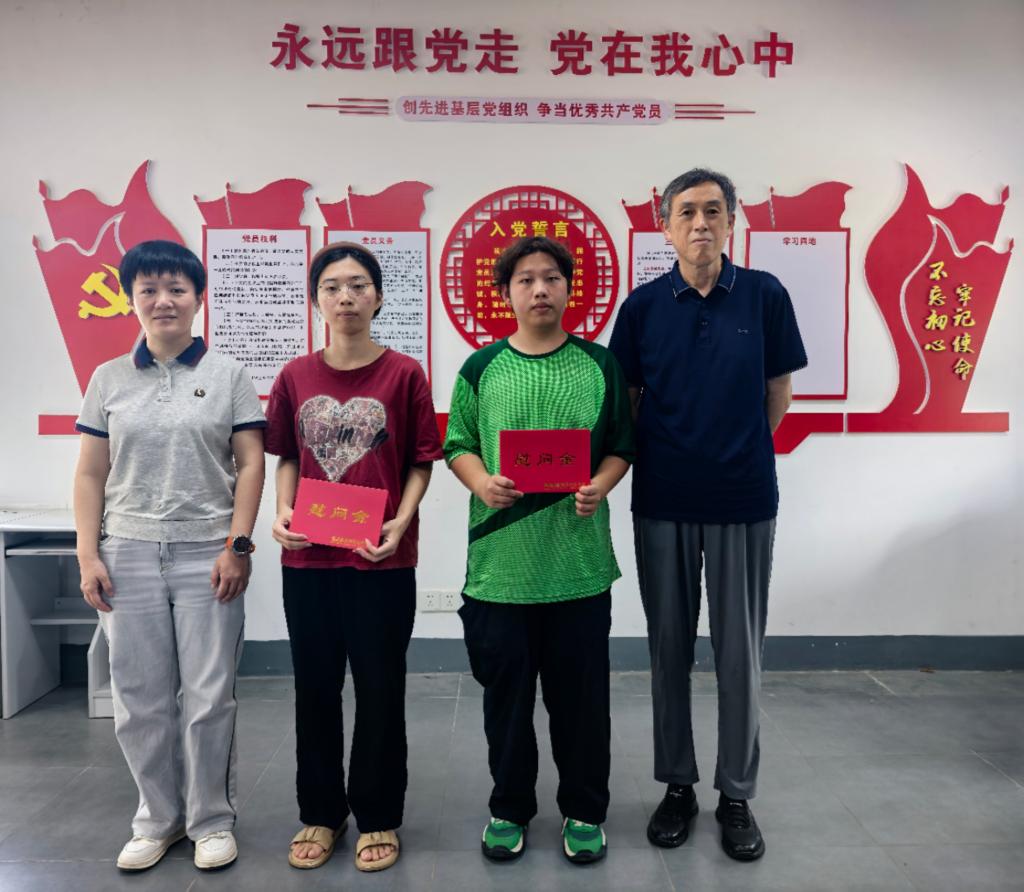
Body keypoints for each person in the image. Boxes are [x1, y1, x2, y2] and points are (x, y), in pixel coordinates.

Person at [609, 168, 807, 861]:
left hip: (743, 499)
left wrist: (739, 450)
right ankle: (678, 785)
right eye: (687, 212)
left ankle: (736, 793)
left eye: (713, 211)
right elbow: (629, 399)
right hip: (663, 499)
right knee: (667, 649)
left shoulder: (764, 294)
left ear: (731, 221)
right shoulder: (641, 307)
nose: (701, 223)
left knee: (739, 651)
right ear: (664, 226)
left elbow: (777, 390)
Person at [74, 239, 266, 872]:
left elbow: (250, 464)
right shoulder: (108, 379)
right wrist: (87, 553)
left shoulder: (229, 375)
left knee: (209, 696)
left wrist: (238, 545)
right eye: (149, 290)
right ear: (132, 299)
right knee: (139, 698)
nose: (163, 301)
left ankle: (211, 820)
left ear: (197, 298)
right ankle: (157, 819)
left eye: (177, 289)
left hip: (208, 550)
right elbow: (90, 473)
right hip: (126, 552)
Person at [444, 236, 634, 865]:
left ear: (568, 288)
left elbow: (621, 445)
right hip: (500, 569)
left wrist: (600, 485)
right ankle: (509, 808)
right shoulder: (481, 368)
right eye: (525, 279)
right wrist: (481, 482)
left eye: (551, 277)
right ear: (506, 294)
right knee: (506, 702)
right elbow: (458, 443)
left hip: (578, 566)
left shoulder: (600, 365)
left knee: (582, 702)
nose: (540, 289)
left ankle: (584, 809)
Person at [264, 242, 443, 874]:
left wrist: (401, 520)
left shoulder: (405, 374)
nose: (346, 297)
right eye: (333, 287)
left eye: (359, 285)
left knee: (380, 687)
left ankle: (377, 815)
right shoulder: (294, 377)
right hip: (308, 561)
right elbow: (287, 456)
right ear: (316, 300)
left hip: (380, 560)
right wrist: (282, 512)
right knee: (314, 687)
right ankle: (321, 811)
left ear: (379, 297)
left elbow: (421, 460)